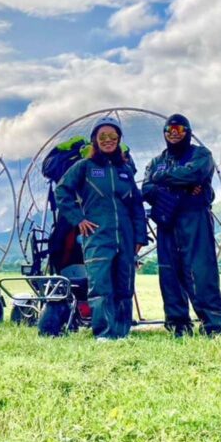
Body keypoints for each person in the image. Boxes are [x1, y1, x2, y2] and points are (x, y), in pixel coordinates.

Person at [54, 116, 148, 340]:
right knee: (101, 286)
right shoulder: (84, 167)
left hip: (125, 237)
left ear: (119, 139)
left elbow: (136, 205)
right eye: (102, 136)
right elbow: (62, 192)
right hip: (97, 236)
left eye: (112, 136)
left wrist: (139, 237)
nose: (108, 140)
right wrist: (78, 219)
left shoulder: (125, 170)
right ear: (95, 140)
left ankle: (122, 331)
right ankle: (104, 334)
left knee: (124, 286)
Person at [142, 114, 221, 337]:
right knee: (169, 272)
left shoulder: (201, 154)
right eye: (169, 130)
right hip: (166, 221)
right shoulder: (155, 161)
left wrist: (164, 179)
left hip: (195, 217)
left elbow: (196, 173)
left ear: (188, 131)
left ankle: (213, 323)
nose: (174, 133)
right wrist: (181, 186)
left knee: (202, 270)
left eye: (179, 129)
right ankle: (178, 324)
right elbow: (147, 189)